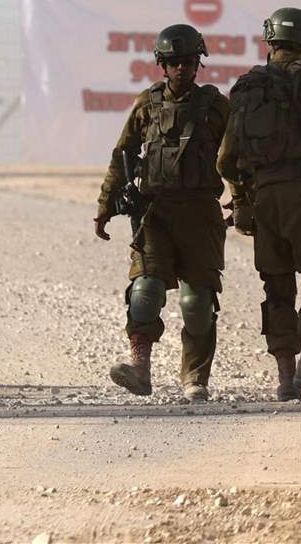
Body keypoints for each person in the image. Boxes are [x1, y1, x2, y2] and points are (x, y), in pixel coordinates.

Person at [217, 6, 301, 401]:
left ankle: (285, 378)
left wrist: (242, 200)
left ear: (271, 39)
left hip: (263, 200)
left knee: (277, 286)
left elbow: (225, 160)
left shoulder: (246, 87)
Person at [95, 23, 230, 400]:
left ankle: (195, 378)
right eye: (173, 62)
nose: (182, 69)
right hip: (156, 215)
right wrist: (105, 205)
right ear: (161, 65)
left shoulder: (216, 107)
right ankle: (139, 367)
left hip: (201, 216)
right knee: (145, 291)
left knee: (197, 302)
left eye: (188, 61)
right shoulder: (147, 105)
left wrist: (244, 203)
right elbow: (121, 157)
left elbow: (236, 158)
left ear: (198, 63)